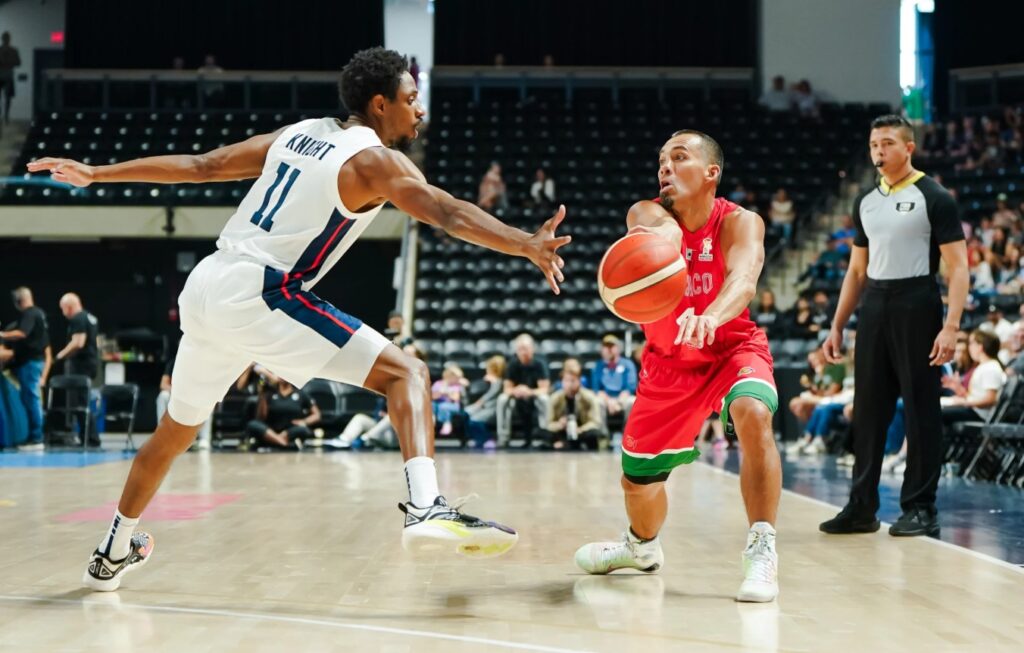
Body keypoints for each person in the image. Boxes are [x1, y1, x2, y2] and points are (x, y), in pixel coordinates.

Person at [29, 47, 570, 591]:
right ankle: (426, 507)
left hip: (207, 284)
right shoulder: (375, 160)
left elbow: (203, 166)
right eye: (411, 100)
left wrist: (98, 172)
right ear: (380, 105)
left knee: (173, 431)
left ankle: (112, 552)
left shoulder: (300, 132)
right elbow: (448, 212)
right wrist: (524, 243)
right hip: (262, 291)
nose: (419, 110)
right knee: (407, 373)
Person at [574, 130, 781, 603]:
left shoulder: (741, 222)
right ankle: (641, 547)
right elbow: (663, 234)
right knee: (638, 483)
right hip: (668, 365)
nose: (664, 167)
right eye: (661, 160)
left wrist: (710, 317)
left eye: (679, 157)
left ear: (712, 172)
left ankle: (762, 548)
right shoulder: (646, 214)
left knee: (753, 412)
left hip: (732, 349)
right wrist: (670, 244)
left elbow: (745, 279)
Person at [820, 114, 969, 538]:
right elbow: (855, 272)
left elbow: (959, 268)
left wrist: (952, 326)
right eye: (873, 145)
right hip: (875, 304)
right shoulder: (865, 201)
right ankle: (861, 507)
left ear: (909, 148)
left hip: (917, 301)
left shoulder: (935, 197)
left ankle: (921, 508)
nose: (878, 152)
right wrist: (837, 326)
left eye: (887, 144)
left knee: (921, 408)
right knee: (867, 410)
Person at [0, 287, 52, 451]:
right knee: (29, 398)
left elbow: (22, 334)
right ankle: (33, 436)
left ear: (18, 301)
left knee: (31, 398)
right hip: (31, 363)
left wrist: (2, 335)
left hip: (30, 364)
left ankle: (36, 438)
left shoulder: (30, 314)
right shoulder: (39, 314)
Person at [54, 293, 101, 447]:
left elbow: (78, 343)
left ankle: (91, 438)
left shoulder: (78, 318)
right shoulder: (90, 317)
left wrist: (60, 356)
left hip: (80, 366)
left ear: (68, 306)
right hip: (90, 364)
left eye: (63, 309)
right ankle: (87, 437)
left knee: (79, 403)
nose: (63, 313)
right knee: (83, 401)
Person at [940, 330, 1005, 427]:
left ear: (980, 347)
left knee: (936, 412)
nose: (969, 348)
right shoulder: (984, 366)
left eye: (971, 344)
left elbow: (990, 400)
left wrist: (964, 402)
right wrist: (958, 389)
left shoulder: (991, 368)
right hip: (975, 410)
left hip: (979, 414)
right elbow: (977, 396)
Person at [497, 333, 550, 448]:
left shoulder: (539, 364)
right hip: (516, 397)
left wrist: (529, 391)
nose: (523, 352)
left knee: (545, 399)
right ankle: (503, 437)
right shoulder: (512, 364)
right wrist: (517, 390)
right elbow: (507, 388)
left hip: (534, 396)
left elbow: (544, 389)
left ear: (532, 349)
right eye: (520, 349)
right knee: (502, 399)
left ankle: (547, 437)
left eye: (525, 348)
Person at [156, 343, 213, 451]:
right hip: (175, 395)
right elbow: (163, 385)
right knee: (162, 396)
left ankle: (204, 439)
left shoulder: (200, 365)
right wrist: (177, 392)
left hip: (193, 396)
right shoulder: (173, 363)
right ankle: (162, 436)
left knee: (208, 400)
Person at [246, 375, 321, 449]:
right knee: (253, 424)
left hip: (291, 430)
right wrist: (262, 395)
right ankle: (286, 444)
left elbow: (317, 415)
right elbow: (261, 417)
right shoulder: (269, 393)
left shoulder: (300, 394)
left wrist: (304, 421)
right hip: (270, 430)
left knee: (304, 430)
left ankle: (274, 441)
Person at [545, 359, 604, 450]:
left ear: (579, 381)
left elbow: (595, 422)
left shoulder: (589, 397)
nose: (569, 384)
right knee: (541, 432)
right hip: (562, 431)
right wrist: (559, 424)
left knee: (594, 433)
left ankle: (564, 444)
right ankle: (565, 443)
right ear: (562, 382)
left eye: (572, 381)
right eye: (566, 381)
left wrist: (580, 429)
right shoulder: (555, 398)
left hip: (582, 431)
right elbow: (549, 424)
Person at [590, 334, 637, 425]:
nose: (609, 349)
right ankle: (603, 437)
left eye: (612, 346)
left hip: (623, 398)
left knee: (632, 401)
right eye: (606, 346)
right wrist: (609, 401)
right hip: (605, 399)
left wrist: (618, 402)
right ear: (602, 350)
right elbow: (597, 389)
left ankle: (628, 436)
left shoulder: (628, 364)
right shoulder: (597, 366)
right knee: (596, 402)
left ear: (618, 348)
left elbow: (629, 388)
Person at [465, 355, 505, 448]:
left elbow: (490, 395)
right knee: (466, 414)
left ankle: (487, 439)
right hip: (485, 406)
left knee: (474, 420)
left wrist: (493, 382)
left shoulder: (499, 381)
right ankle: (476, 438)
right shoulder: (488, 379)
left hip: (493, 408)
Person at [0, 32, 20, 125]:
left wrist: (9, 62)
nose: (6, 40)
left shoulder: (14, 51)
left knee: (8, 97)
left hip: (8, 75)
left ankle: (6, 116)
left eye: (7, 38)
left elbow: (18, 62)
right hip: (1, 75)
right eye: (5, 38)